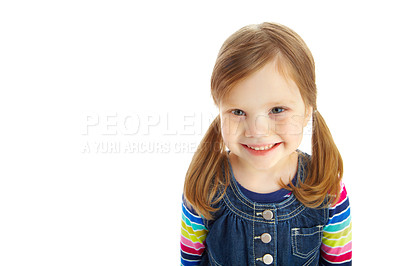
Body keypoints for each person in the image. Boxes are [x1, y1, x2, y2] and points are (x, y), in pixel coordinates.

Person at [180, 22, 352, 265]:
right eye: (238, 112)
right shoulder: (204, 186)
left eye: (277, 109)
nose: (257, 131)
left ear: (307, 112)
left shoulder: (328, 188)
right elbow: (190, 260)